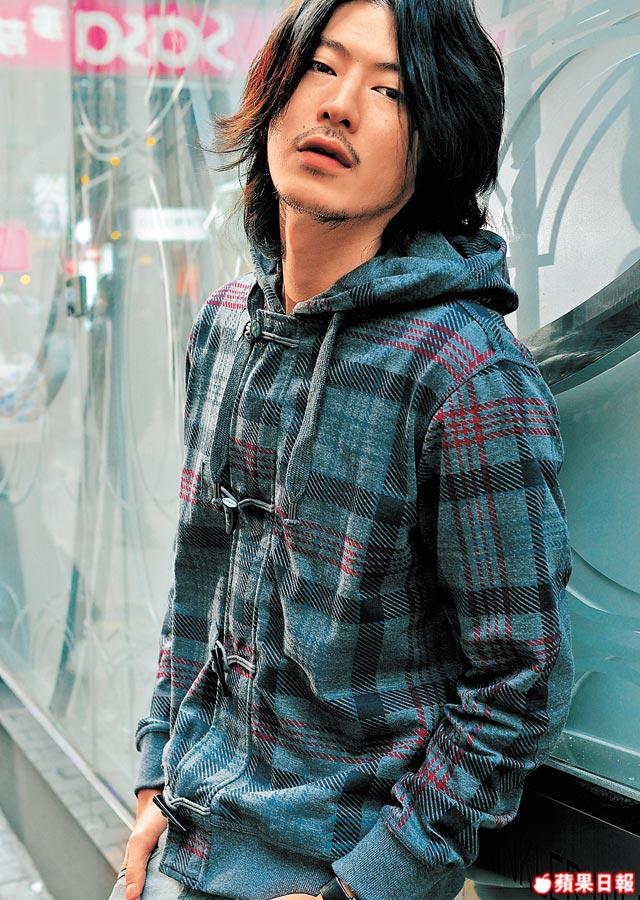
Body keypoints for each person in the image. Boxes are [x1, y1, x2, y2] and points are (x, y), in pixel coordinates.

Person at [111, 1, 575, 898]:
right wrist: (155, 774)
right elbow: (200, 587)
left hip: (335, 868)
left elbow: (522, 683)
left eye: (390, 90)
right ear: (276, 91)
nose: (339, 104)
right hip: (189, 839)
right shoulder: (225, 325)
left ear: (435, 144)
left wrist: (368, 884)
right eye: (322, 66)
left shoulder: (466, 372)